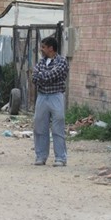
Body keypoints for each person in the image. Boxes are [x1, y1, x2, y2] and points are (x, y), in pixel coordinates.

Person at [32, 36, 69, 167]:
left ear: (50, 48)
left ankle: (60, 158)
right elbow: (34, 77)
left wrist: (42, 75)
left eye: (43, 47)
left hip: (56, 96)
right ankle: (41, 156)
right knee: (39, 127)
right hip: (42, 97)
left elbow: (55, 75)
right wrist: (43, 75)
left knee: (58, 127)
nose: (41, 50)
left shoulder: (62, 61)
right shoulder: (42, 62)